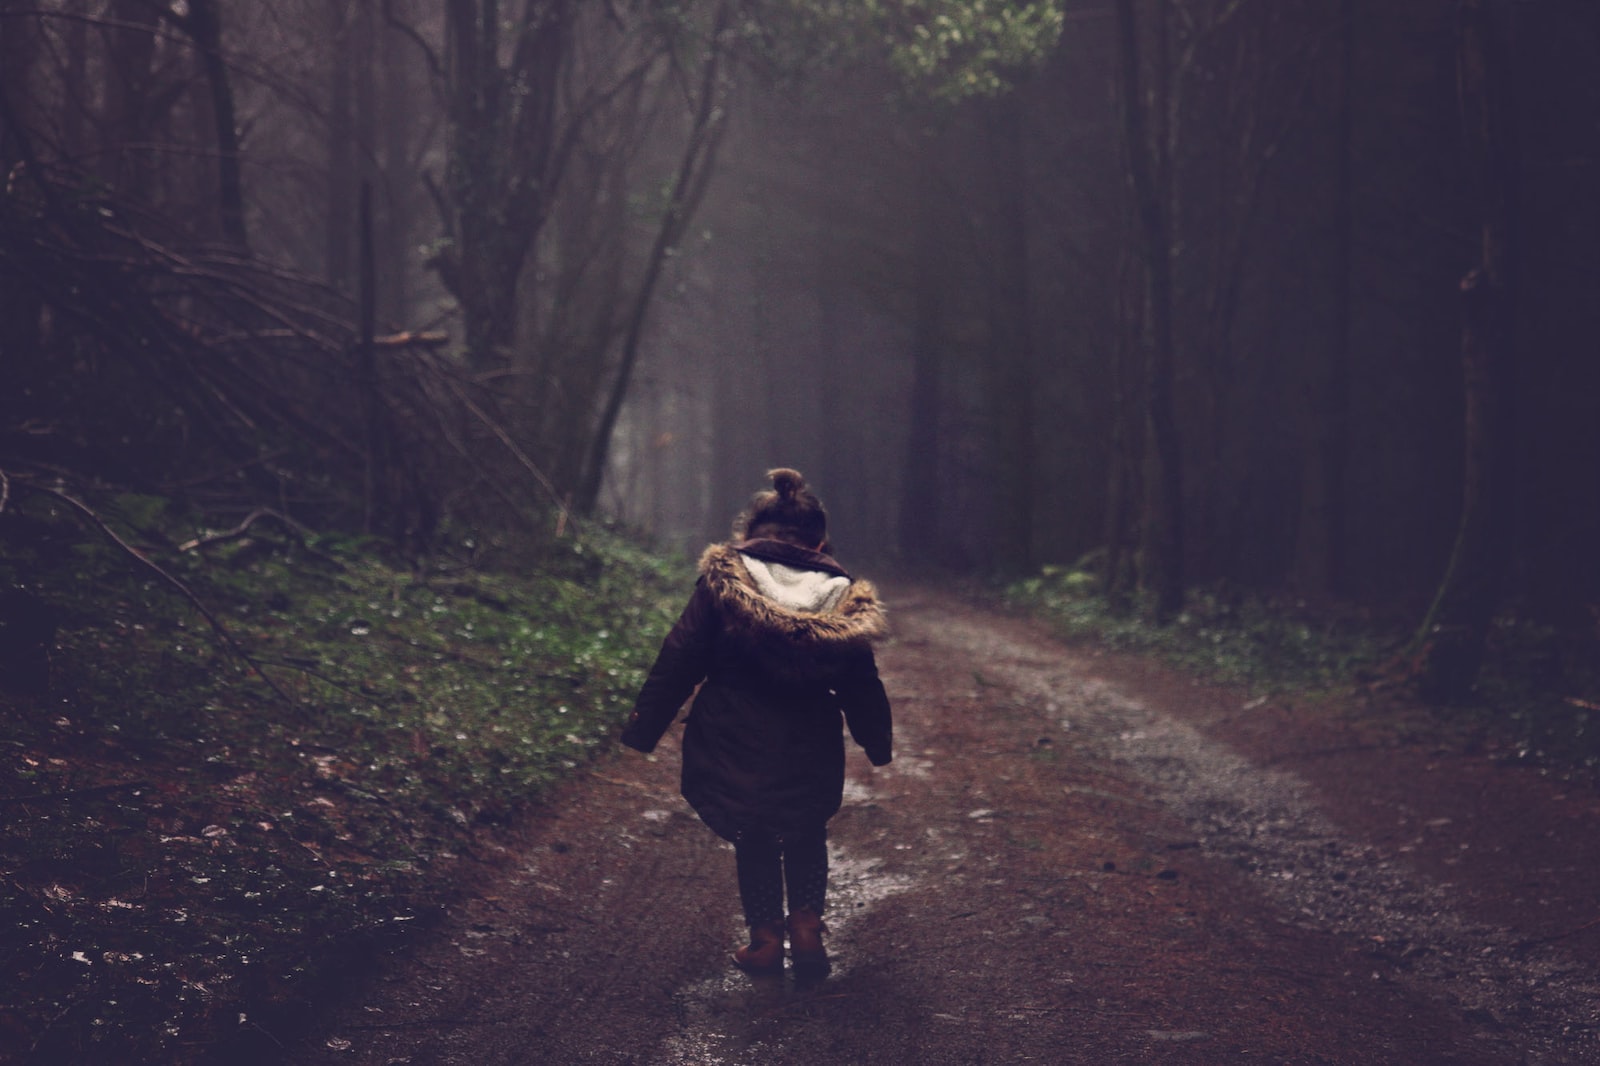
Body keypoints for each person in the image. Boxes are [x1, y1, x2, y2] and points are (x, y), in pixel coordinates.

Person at [620, 468, 893, 979]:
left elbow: (682, 654)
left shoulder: (725, 581)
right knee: (806, 825)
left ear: (749, 532)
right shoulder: (842, 595)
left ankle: (766, 940)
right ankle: (808, 928)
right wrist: (876, 740)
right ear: (820, 540)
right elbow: (861, 679)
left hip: (732, 728)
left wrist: (645, 726)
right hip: (810, 730)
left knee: (755, 832)